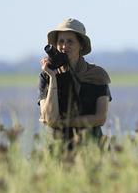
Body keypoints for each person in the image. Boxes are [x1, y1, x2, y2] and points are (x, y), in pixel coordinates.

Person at [38, 18, 112, 149]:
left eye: (70, 41)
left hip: (91, 146)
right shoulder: (47, 75)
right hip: (59, 147)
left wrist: (65, 122)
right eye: (61, 41)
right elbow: (49, 118)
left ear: (81, 45)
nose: (64, 46)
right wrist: (53, 77)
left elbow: (100, 118)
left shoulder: (96, 75)